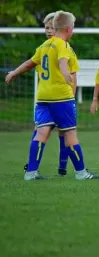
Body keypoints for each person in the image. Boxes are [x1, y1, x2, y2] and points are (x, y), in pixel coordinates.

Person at [6, 11, 99, 180]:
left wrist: (14, 73)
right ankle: (81, 172)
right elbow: (63, 62)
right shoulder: (62, 45)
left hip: (43, 97)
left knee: (41, 133)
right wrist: (66, 74)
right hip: (60, 97)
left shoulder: (44, 46)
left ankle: (31, 173)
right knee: (70, 134)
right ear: (68, 29)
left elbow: (30, 63)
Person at [22, 12, 79, 177]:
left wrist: (72, 97)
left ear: (58, 28)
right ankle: (33, 166)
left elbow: (72, 75)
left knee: (64, 132)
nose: (49, 30)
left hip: (61, 97)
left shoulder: (64, 49)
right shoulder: (44, 49)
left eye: (52, 27)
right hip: (46, 97)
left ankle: (62, 167)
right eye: (46, 27)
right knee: (41, 130)